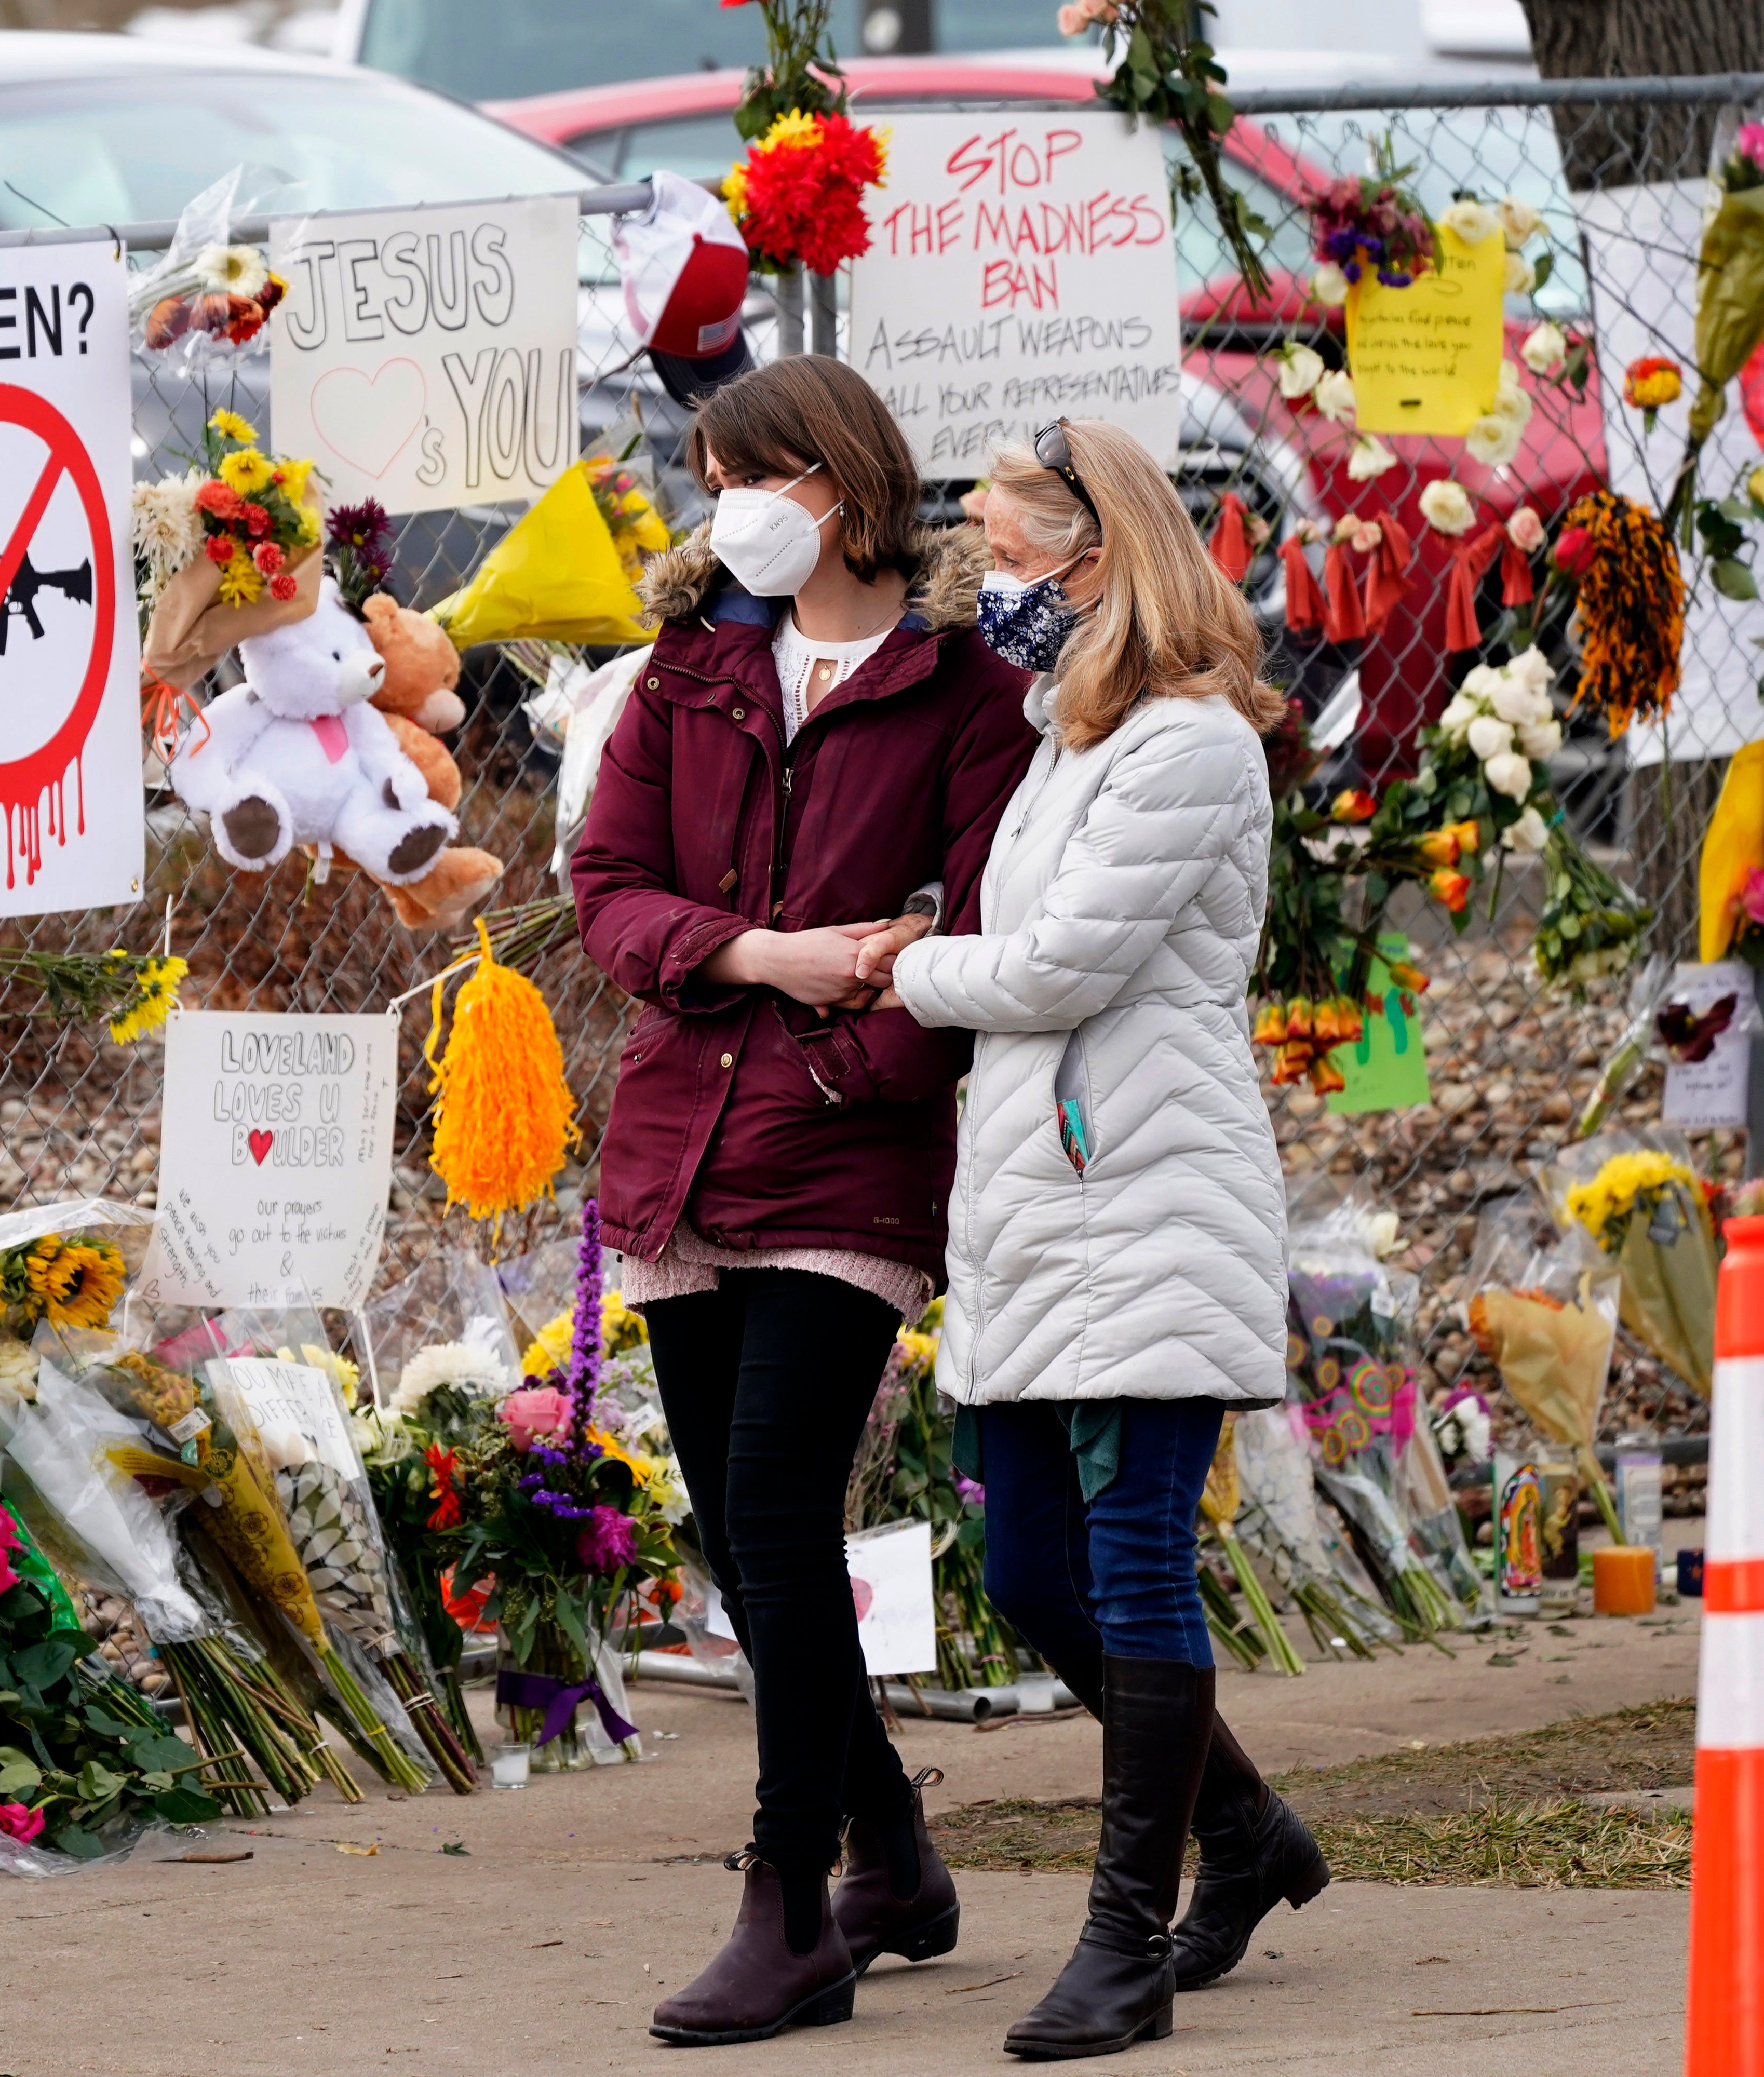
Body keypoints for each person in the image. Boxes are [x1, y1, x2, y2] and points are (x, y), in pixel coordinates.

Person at [572, 354, 1036, 2047]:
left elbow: (980, 917)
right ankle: (897, 1854)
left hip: (847, 1145)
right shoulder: (691, 670)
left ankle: (792, 1906)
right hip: (686, 1136)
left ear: (833, 486)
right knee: (735, 1528)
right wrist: (760, 956)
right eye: (709, 478)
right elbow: (606, 889)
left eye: (741, 476)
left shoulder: (963, 689)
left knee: (772, 1509)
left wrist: (880, 1004)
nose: (722, 511)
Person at [870, 419, 1326, 2060]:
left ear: (1098, 554)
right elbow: (1027, 946)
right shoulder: (1077, 734)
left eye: (1005, 546)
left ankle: (1123, 1938)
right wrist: (939, 947)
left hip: (1149, 1189)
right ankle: (1253, 1834)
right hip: (1049, 1196)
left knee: (1132, 1557)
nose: (982, 578)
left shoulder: (1190, 746)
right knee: (1028, 1567)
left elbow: (1058, 969)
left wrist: (901, 969)